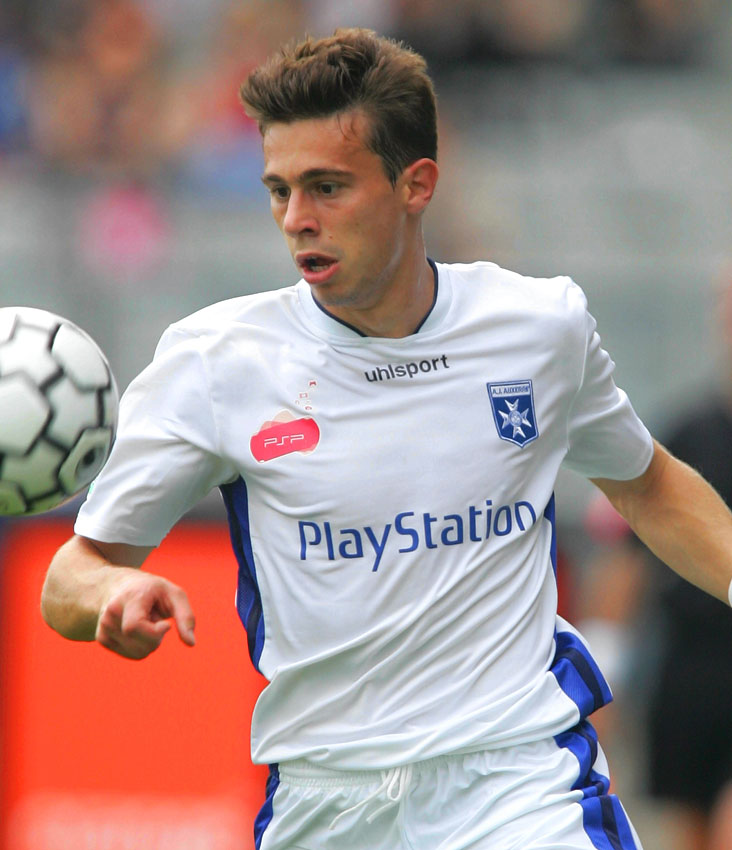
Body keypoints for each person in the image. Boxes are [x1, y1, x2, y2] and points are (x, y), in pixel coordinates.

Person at [40, 28, 732, 850]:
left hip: (518, 785)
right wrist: (108, 597)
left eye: (327, 187)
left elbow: (648, 484)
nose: (297, 219)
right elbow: (71, 573)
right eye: (279, 190)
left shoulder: (538, 327)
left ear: (416, 184)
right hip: (329, 805)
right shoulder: (216, 362)